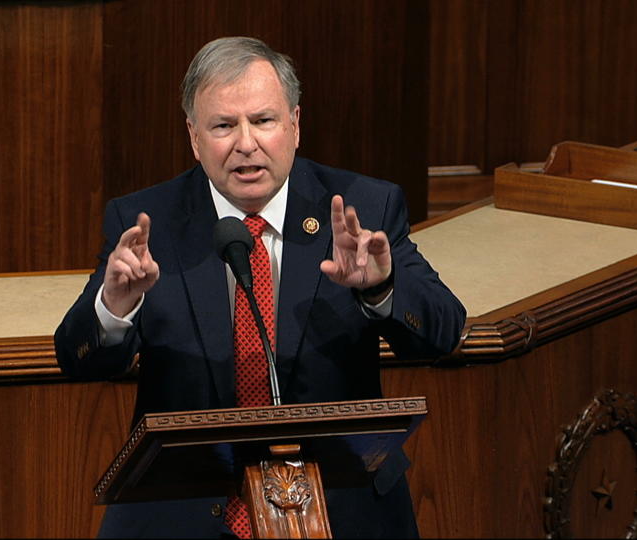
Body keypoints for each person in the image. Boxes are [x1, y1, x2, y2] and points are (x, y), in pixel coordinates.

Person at [55, 36, 466, 539]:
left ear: (294, 124)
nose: (245, 143)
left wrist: (380, 288)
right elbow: (77, 359)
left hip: (341, 507)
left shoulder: (364, 207)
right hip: (183, 511)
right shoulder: (148, 223)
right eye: (224, 125)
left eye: (263, 121)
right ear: (194, 136)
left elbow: (444, 332)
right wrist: (115, 307)